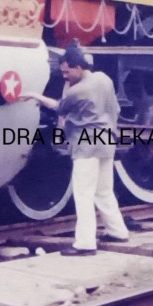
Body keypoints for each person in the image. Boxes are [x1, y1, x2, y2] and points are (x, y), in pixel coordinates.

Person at [21, 43, 129, 255]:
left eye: (67, 72)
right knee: (104, 190)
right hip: (106, 141)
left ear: (78, 67)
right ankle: (118, 231)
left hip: (86, 145)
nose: (65, 76)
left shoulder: (78, 91)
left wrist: (35, 95)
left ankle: (85, 243)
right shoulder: (104, 79)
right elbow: (115, 108)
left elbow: (58, 107)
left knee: (83, 194)